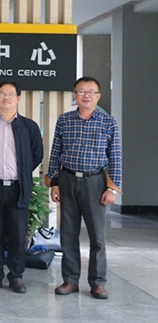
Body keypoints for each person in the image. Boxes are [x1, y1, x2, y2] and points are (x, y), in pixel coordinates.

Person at [47, 76, 122, 300]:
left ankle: (98, 283)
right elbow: (55, 153)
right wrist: (54, 182)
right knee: (68, 234)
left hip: (95, 182)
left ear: (98, 96)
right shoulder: (64, 120)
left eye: (91, 92)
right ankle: (70, 280)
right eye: (81, 91)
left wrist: (113, 189)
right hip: (68, 180)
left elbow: (115, 157)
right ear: (75, 95)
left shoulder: (108, 122)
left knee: (97, 237)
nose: (86, 95)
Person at [0, 81, 43, 294]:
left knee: (17, 234)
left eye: (11, 94)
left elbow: (36, 155)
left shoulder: (29, 126)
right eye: (2, 94)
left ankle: (16, 275)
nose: (6, 98)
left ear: (18, 98)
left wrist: (21, 172)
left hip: (17, 188)